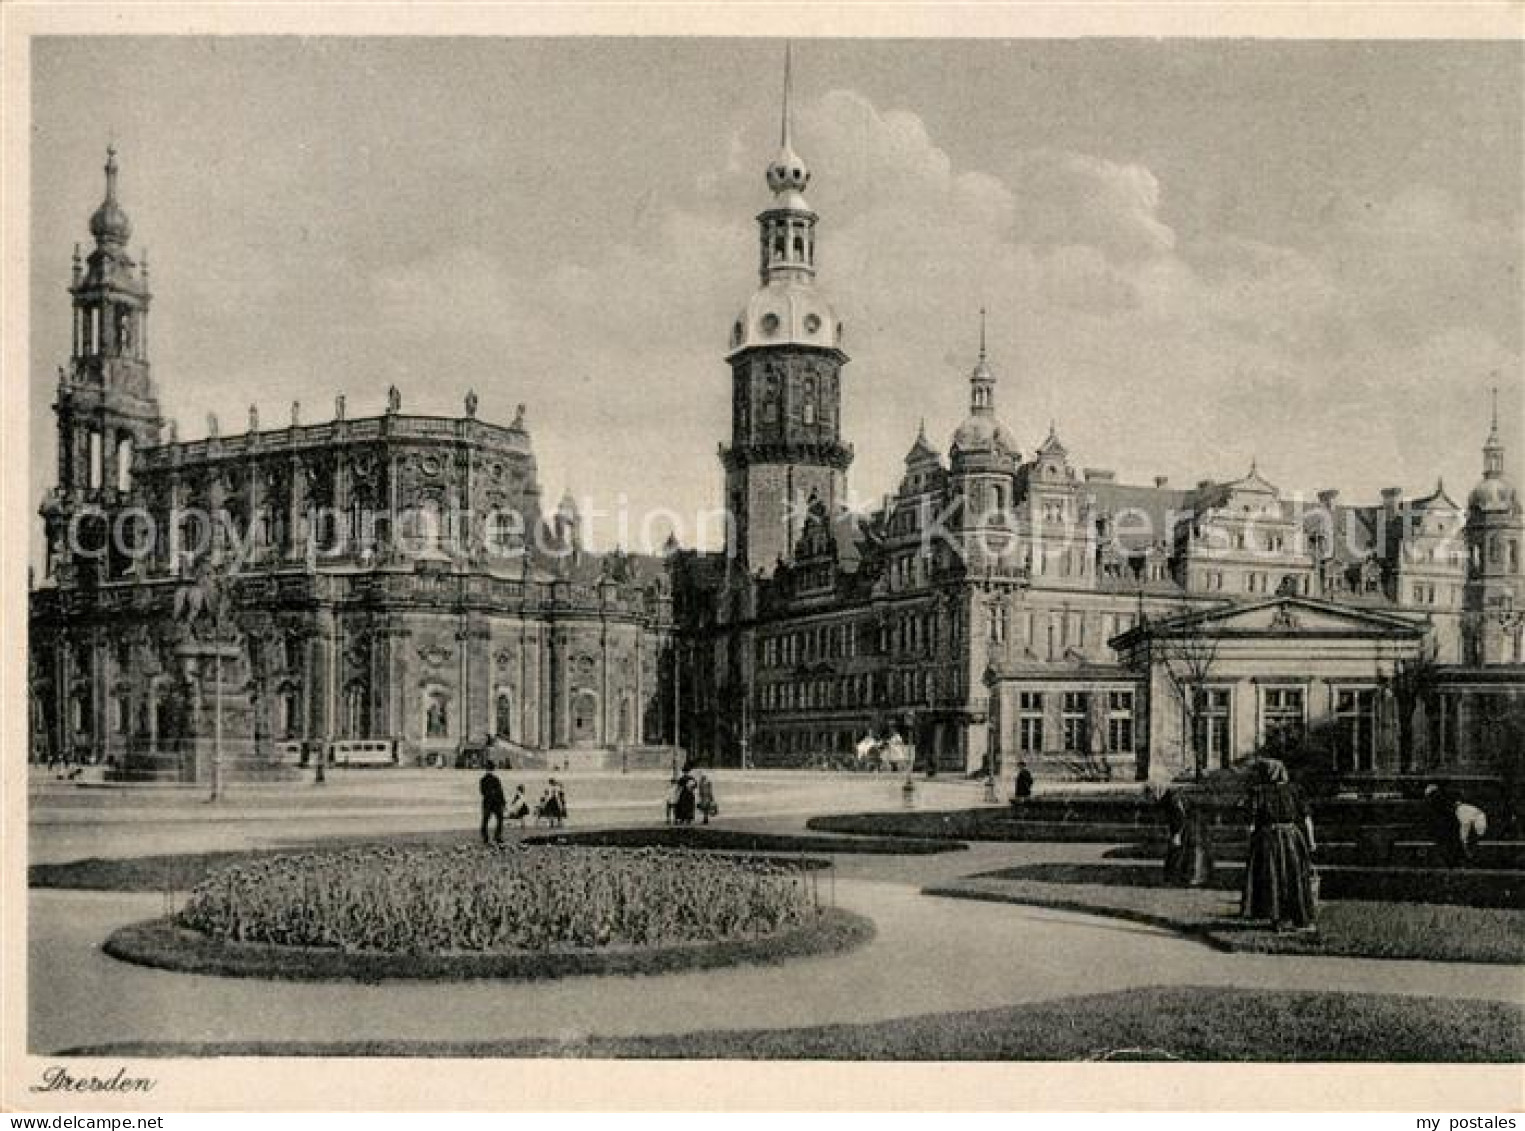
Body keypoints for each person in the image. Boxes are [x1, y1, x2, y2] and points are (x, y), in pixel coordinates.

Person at [1241, 759, 1317, 932]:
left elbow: (1251, 824)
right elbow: (1307, 819)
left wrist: (1251, 841)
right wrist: (1311, 841)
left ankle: (1278, 918)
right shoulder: (1294, 790)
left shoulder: (1259, 792)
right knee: (1293, 876)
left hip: (1269, 839)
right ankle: (1298, 919)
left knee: (1274, 877)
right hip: (1291, 838)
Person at [1158, 785, 1215, 887]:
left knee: (1186, 854)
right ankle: (1180, 877)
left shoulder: (1176, 800)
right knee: (1181, 854)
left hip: (1189, 829)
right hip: (1186, 828)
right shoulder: (1173, 800)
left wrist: (1178, 834)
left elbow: (1180, 817)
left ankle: (1186, 878)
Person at [478, 760, 506, 845]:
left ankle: (485, 838)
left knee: (485, 821)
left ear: (486, 769)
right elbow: (500, 792)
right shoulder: (496, 779)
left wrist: (490, 794)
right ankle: (497, 837)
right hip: (496, 803)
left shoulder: (483, 780)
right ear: (493, 769)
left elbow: (482, 792)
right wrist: (503, 802)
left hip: (487, 802)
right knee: (500, 819)